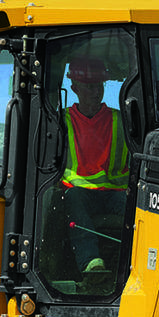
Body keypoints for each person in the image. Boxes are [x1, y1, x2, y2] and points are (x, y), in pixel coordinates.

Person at [61, 56, 130, 274]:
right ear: (74, 88)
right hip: (79, 193)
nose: (95, 92)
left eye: (99, 86)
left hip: (116, 192)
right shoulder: (62, 122)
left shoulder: (121, 120)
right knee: (73, 200)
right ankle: (91, 264)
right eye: (89, 87)